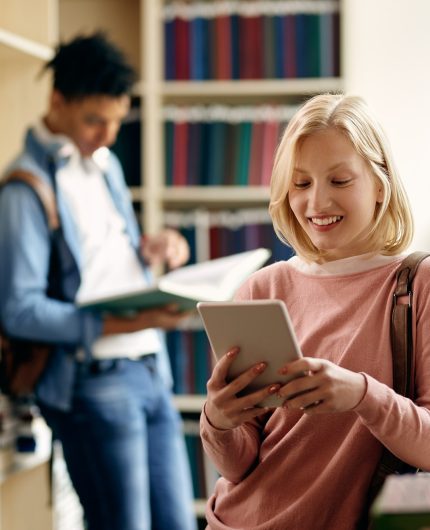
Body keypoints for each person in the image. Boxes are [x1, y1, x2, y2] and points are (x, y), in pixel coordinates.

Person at [200, 93, 430, 530]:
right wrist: (219, 420)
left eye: (339, 181)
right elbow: (237, 467)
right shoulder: (262, 289)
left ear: (380, 185)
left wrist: (362, 395)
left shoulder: (418, 285)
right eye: (301, 184)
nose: (316, 203)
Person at [0, 33, 197, 530]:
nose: (108, 134)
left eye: (117, 120)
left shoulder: (104, 165)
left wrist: (156, 247)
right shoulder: (25, 191)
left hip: (151, 368)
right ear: (57, 102)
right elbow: (19, 310)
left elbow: (104, 261)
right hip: (96, 381)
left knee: (179, 522)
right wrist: (117, 321)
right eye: (95, 120)